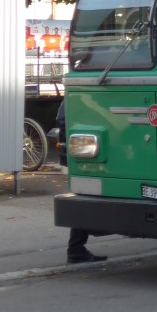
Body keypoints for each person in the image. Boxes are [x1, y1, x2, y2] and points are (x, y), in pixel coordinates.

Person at [57, 102, 107, 264]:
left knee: (84, 192)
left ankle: (76, 248)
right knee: (86, 192)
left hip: (80, 149)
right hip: (83, 150)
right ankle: (75, 249)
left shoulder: (77, 99)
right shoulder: (88, 101)